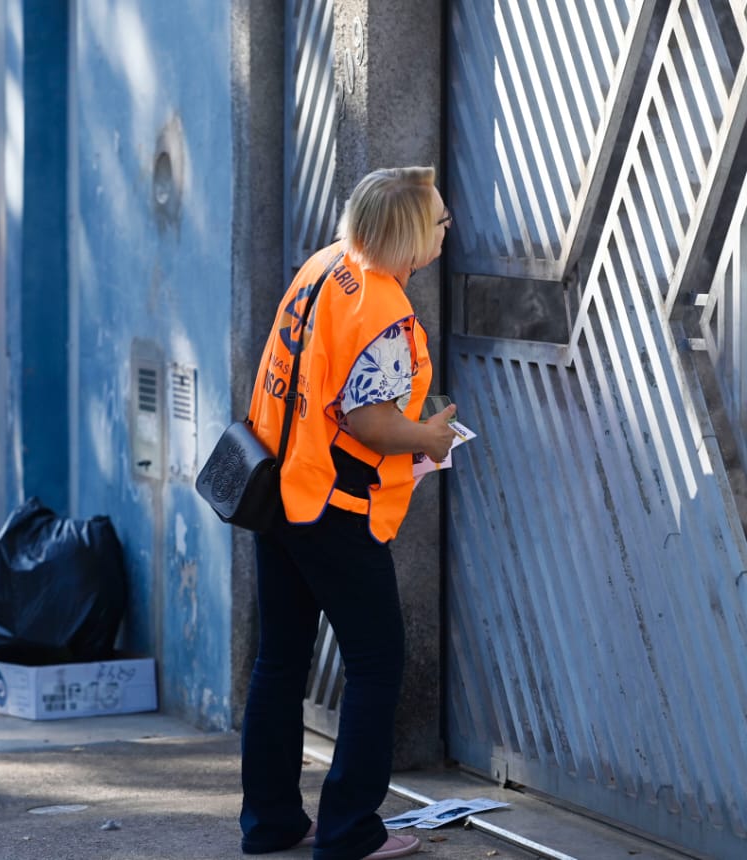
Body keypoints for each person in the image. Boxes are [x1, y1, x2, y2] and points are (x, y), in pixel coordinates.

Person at [238, 167, 458, 860]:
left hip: (276, 493)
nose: (449, 231)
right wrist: (429, 436)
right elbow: (368, 421)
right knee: (376, 662)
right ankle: (350, 832)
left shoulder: (323, 267)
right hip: (334, 509)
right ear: (411, 234)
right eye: (441, 223)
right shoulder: (384, 310)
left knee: (279, 661)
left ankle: (271, 824)